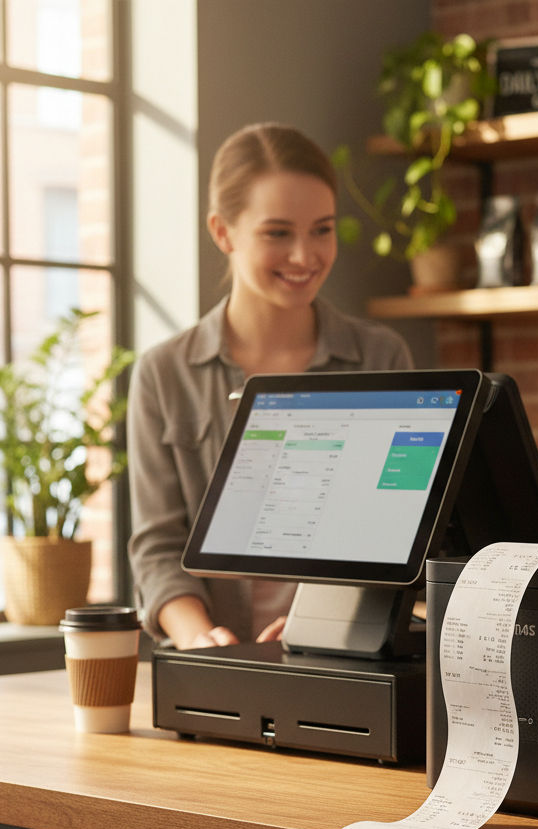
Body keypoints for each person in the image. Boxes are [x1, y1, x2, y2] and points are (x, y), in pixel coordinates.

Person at [128, 123, 414, 649]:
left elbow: (399, 536)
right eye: (278, 233)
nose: (305, 256)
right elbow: (158, 548)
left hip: (341, 661)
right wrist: (200, 638)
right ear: (223, 231)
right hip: (212, 662)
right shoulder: (163, 374)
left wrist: (327, 621)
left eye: (322, 229)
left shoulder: (381, 357)